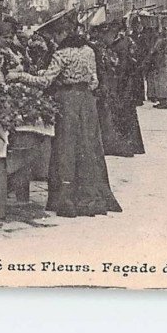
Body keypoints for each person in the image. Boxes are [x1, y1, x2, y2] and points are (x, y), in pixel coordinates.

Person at [30, 26, 122, 218]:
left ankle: (66, 199)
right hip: (87, 101)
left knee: (66, 146)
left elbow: (46, 81)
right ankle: (91, 197)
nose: (54, 39)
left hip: (67, 101)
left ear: (63, 34)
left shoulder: (61, 54)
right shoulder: (89, 51)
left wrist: (20, 76)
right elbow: (94, 80)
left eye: (56, 34)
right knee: (89, 146)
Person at [88, 25, 133, 156]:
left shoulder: (105, 48)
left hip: (110, 84)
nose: (112, 38)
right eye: (110, 35)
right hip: (104, 84)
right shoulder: (99, 48)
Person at [110, 23, 145, 154]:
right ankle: (132, 143)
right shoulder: (129, 41)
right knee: (128, 112)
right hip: (128, 80)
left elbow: (124, 63)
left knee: (122, 110)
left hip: (122, 81)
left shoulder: (121, 43)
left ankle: (124, 143)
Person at [144, 23, 167, 109]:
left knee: (161, 83)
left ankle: (164, 102)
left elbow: (154, 50)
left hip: (160, 63)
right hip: (164, 62)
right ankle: (164, 101)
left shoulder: (160, 41)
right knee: (164, 82)